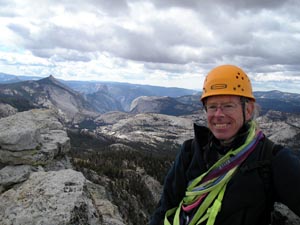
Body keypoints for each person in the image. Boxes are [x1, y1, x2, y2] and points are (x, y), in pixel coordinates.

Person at [149, 64, 300, 225]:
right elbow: (165, 208)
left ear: (248, 110)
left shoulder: (271, 159)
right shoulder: (191, 151)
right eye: (212, 107)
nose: (218, 115)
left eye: (228, 106)